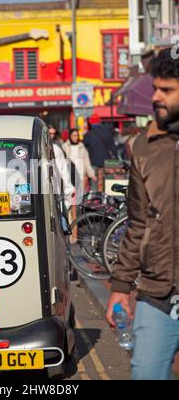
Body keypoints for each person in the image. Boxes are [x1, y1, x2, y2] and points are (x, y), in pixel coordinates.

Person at [106, 48, 179, 380]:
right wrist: (121, 286)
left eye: (167, 90)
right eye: (155, 88)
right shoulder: (144, 146)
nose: (155, 97)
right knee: (146, 373)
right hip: (158, 290)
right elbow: (138, 221)